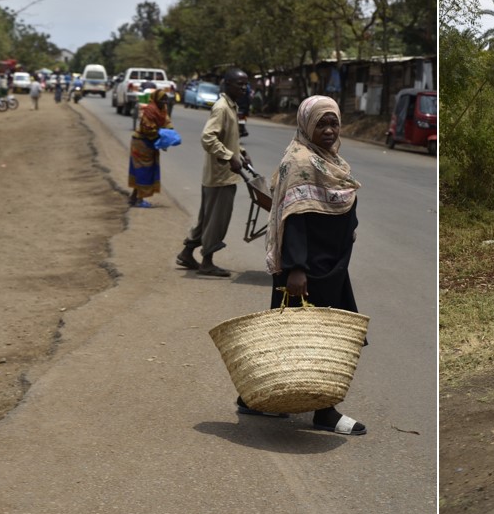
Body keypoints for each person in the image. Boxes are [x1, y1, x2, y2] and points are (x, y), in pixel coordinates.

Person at [242, 94, 366, 435]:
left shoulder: (330, 160)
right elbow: (293, 219)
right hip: (306, 270)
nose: (328, 130)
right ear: (306, 125)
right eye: (321, 123)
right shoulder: (299, 161)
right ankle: (325, 411)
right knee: (316, 339)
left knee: (293, 336)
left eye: (333, 123)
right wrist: (296, 269)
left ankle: (251, 397)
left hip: (332, 265)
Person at [176, 67, 250, 277]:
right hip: (220, 176)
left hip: (218, 175)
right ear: (227, 84)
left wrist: (241, 152)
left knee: (207, 218)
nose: (244, 88)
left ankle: (186, 253)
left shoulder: (231, 106)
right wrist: (229, 156)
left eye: (246, 84)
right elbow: (208, 138)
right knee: (217, 219)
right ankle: (207, 262)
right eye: (240, 84)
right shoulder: (221, 108)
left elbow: (228, 138)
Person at [128, 88, 174, 208]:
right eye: (162, 100)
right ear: (156, 99)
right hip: (142, 143)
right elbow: (147, 128)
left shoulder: (162, 109)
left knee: (142, 170)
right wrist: (161, 135)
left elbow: (167, 122)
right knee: (143, 170)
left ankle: (133, 197)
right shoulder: (150, 110)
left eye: (165, 101)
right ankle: (139, 199)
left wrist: (170, 132)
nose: (164, 103)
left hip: (150, 143)